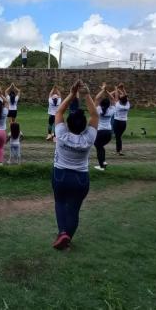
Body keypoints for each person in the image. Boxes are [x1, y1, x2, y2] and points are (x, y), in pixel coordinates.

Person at [51, 80, 99, 250]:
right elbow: (95, 116)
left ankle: (62, 232)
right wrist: (86, 95)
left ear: (68, 123)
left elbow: (59, 111)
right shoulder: (89, 137)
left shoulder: (61, 133)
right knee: (74, 209)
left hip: (61, 175)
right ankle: (66, 237)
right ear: (84, 125)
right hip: (80, 178)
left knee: (60, 202)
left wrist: (72, 94)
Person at [93, 83, 115, 171]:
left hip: (100, 132)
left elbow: (96, 98)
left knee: (98, 147)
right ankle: (103, 162)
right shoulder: (111, 110)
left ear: (101, 104)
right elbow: (113, 99)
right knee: (100, 146)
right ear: (109, 105)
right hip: (108, 132)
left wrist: (103, 90)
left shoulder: (98, 110)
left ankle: (101, 166)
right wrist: (106, 91)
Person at [112, 83, 131, 155]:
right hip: (124, 123)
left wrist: (116, 88)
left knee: (118, 137)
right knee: (119, 136)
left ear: (120, 100)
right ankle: (119, 150)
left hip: (117, 122)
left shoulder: (118, 105)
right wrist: (123, 88)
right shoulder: (127, 105)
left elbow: (117, 96)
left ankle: (119, 151)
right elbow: (126, 97)